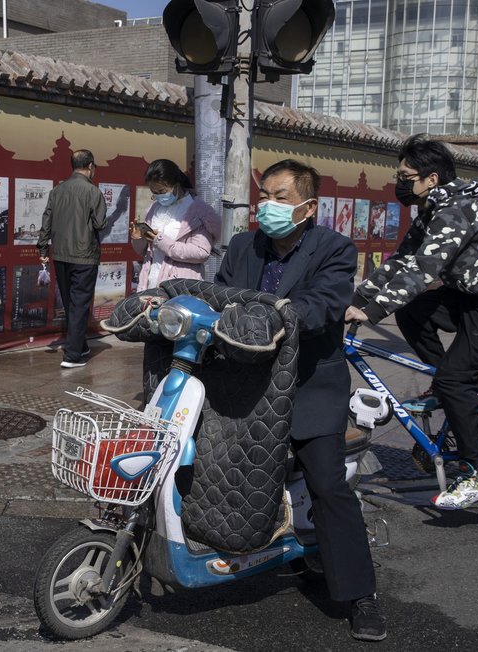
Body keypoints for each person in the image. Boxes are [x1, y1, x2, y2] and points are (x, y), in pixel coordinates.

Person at [216, 159, 385, 643]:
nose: (267, 206)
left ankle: (360, 595)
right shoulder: (244, 245)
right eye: (263, 196)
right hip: (246, 380)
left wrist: (275, 317)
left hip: (309, 383)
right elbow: (219, 293)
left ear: (308, 207)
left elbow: (325, 304)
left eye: (280, 197)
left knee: (328, 485)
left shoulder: (334, 248)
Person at [345, 134, 478, 510]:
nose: (399, 182)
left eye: (406, 176)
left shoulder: (455, 211)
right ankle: (447, 387)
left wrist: (371, 312)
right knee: (412, 310)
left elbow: (423, 270)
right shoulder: (433, 209)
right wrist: (355, 300)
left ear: (431, 179)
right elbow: (401, 260)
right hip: (476, 293)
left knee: (456, 379)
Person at [37, 149, 107, 368]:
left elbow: (46, 220)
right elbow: (100, 223)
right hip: (84, 255)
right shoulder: (93, 192)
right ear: (91, 166)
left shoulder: (57, 191)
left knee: (70, 302)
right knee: (79, 304)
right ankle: (72, 356)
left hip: (60, 254)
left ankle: (81, 345)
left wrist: (42, 248)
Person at [131, 159, 220, 291]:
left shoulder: (198, 210)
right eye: (154, 193)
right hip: (150, 284)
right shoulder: (153, 208)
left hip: (180, 289)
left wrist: (161, 240)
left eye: (162, 191)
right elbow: (145, 252)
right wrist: (138, 237)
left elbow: (201, 252)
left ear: (176, 185)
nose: (159, 196)